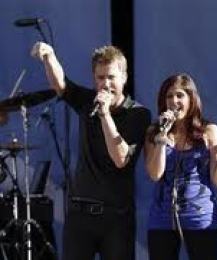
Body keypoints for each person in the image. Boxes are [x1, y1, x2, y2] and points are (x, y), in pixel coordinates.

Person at [31, 41, 151, 260]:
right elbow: (62, 85)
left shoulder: (138, 114)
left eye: (111, 77)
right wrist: (49, 56)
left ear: (124, 77)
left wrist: (105, 115)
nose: (105, 84)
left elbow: (121, 158)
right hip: (80, 215)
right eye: (100, 78)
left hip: (116, 217)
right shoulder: (88, 102)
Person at [144, 73, 217, 260]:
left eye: (180, 95)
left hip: (200, 217)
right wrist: (161, 138)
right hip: (162, 219)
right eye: (169, 96)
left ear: (192, 98)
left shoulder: (209, 130)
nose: (174, 101)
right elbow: (154, 174)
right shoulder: (154, 131)